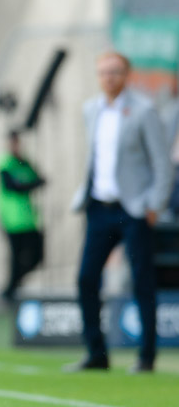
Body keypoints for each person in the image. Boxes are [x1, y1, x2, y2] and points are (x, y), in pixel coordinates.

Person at [67, 51, 173, 373]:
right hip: (100, 207)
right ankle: (96, 353)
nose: (108, 78)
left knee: (142, 281)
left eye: (114, 72)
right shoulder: (91, 109)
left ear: (126, 75)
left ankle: (147, 356)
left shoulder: (143, 110)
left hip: (133, 209)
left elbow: (162, 163)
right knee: (86, 278)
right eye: (103, 72)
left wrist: (154, 204)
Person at [0, 129, 45, 302]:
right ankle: (10, 289)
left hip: (29, 219)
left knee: (37, 256)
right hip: (12, 219)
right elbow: (13, 186)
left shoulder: (24, 162)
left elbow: (38, 179)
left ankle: (14, 283)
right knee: (16, 257)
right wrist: (30, 184)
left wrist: (31, 183)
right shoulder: (4, 164)